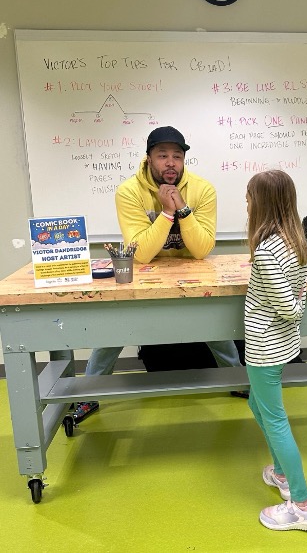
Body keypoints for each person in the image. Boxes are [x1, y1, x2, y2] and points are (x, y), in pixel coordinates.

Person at [72, 126, 244, 423]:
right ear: (149, 158)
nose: (170, 163)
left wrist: (183, 210)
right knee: (113, 329)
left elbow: (202, 250)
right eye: (162, 155)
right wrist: (166, 213)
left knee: (216, 327)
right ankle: (89, 394)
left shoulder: (202, 189)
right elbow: (140, 254)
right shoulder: (129, 192)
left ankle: (239, 383)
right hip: (143, 275)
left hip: (193, 274)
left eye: (177, 156)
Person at [244, 169, 307, 532]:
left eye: (249, 199)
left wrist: (291, 307)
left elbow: (290, 307)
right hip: (278, 343)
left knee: (275, 420)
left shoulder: (266, 251)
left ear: (261, 204)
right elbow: (299, 294)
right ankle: (280, 473)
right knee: (256, 405)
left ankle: (304, 505)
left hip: (265, 346)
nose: (246, 205)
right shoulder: (294, 243)